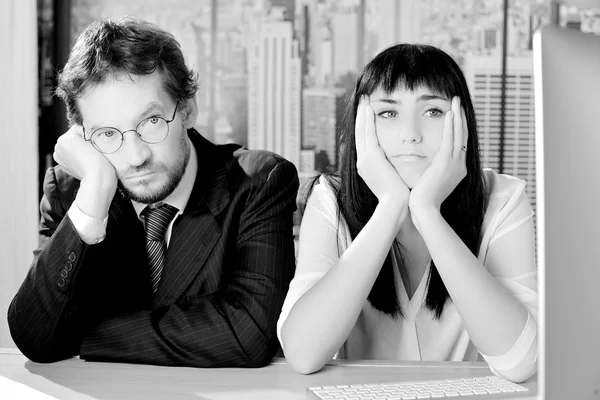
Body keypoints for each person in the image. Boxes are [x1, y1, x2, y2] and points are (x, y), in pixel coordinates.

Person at [8, 16, 299, 368]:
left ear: (188, 109)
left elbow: (247, 334)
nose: (136, 157)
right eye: (107, 134)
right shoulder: (74, 192)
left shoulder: (258, 183)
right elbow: (35, 337)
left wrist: (82, 334)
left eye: (151, 122)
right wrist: (97, 186)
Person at [277, 44, 538, 383]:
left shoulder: (503, 199)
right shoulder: (331, 199)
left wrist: (428, 212)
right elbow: (302, 353)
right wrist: (390, 207)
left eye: (432, 111)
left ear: (462, 123)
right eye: (388, 113)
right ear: (361, 126)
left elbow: (519, 361)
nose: (410, 134)